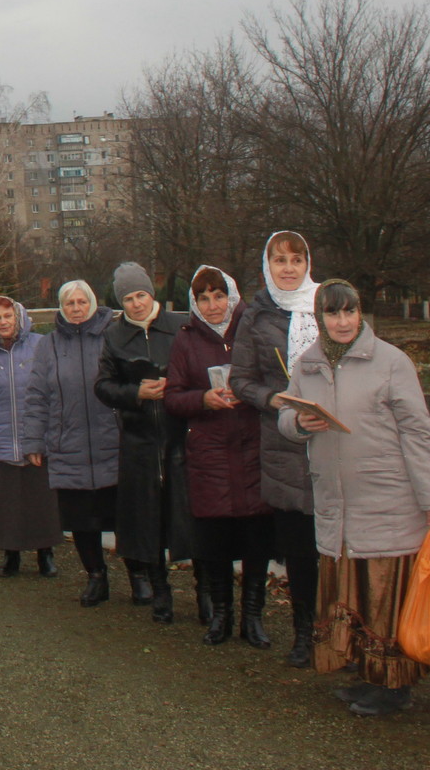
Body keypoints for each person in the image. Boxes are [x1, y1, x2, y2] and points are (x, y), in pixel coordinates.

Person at [281, 280, 430, 717]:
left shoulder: (392, 363)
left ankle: (394, 685)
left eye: (350, 312)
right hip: (337, 503)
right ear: (319, 319)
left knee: (382, 596)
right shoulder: (307, 365)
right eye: (333, 314)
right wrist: (299, 422)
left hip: (387, 499)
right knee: (351, 594)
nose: (342, 322)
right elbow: (286, 418)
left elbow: (418, 431)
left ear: (361, 313)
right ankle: (365, 673)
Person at [163, 266, 274, 647]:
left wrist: (251, 393)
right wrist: (203, 399)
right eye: (204, 298)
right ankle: (222, 614)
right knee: (214, 541)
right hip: (209, 451)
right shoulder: (186, 340)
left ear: (233, 296)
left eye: (219, 296)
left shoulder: (253, 329)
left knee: (257, 535)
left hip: (253, 445)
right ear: (194, 303)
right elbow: (172, 396)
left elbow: (275, 380)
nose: (213, 306)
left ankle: (253, 617)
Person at [230, 231, 324, 666]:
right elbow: (241, 379)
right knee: (301, 548)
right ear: (267, 265)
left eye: (296, 259)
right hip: (284, 444)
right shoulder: (255, 315)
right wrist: (275, 400)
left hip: (334, 439)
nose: (288, 268)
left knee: (340, 545)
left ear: (308, 263)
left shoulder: (330, 305)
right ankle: (305, 632)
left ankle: (346, 629)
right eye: (279, 260)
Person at [96, 262, 194, 623]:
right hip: (139, 440)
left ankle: (206, 595)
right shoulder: (114, 335)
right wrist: (135, 392)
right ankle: (160, 591)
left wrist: (177, 389)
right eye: (129, 298)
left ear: (151, 294)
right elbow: (103, 386)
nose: (136, 304)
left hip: (181, 436)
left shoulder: (180, 325)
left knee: (188, 517)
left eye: (141, 295)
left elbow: (198, 371)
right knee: (147, 521)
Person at [24, 280, 120, 605]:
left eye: (82, 302)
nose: (76, 308)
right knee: (81, 519)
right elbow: (37, 396)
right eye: (69, 303)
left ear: (92, 303)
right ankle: (96, 575)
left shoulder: (113, 336)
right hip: (68, 443)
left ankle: (139, 575)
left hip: (112, 441)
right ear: (61, 308)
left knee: (124, 514)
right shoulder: (48, 345)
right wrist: (34, 441)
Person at [0, 296, 61, 578]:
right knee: (5, 500)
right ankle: (11, 555)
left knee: (41, 498)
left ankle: (46, 553)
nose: (3, 322)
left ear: (18, 317)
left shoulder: (40, 345)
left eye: (8, 316)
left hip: (35, 435)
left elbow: (52, 391)